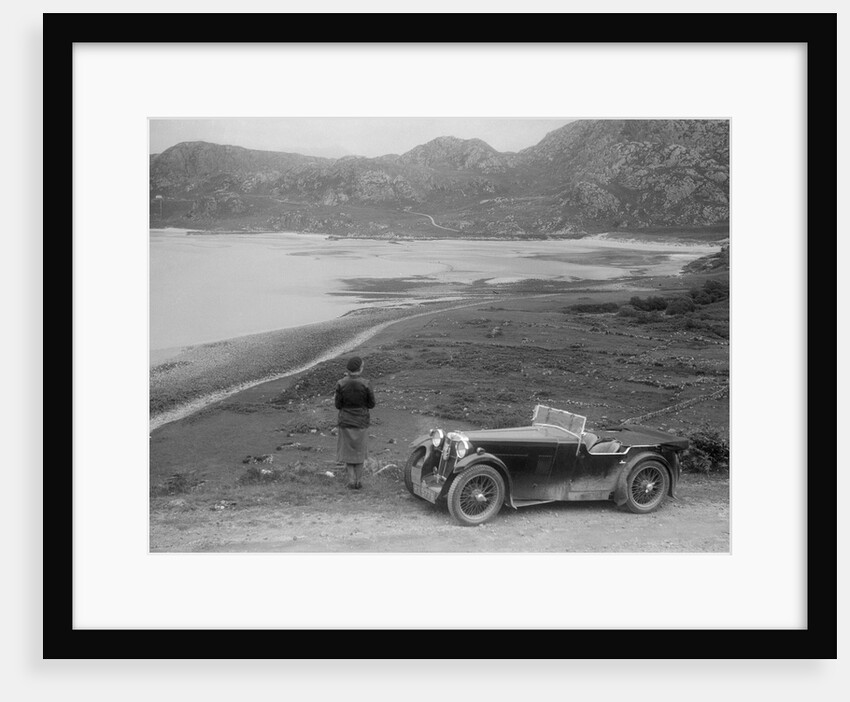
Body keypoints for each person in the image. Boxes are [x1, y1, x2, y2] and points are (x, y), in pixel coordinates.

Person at [334, 356, 376, 489]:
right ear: (360, 368)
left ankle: (351, 481)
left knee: (347, 452)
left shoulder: (340, 383)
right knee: (360, 453)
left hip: (345, 421)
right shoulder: (366, 383)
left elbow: (337, 405)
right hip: (361, 422)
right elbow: (371, 404)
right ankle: (359, 481)